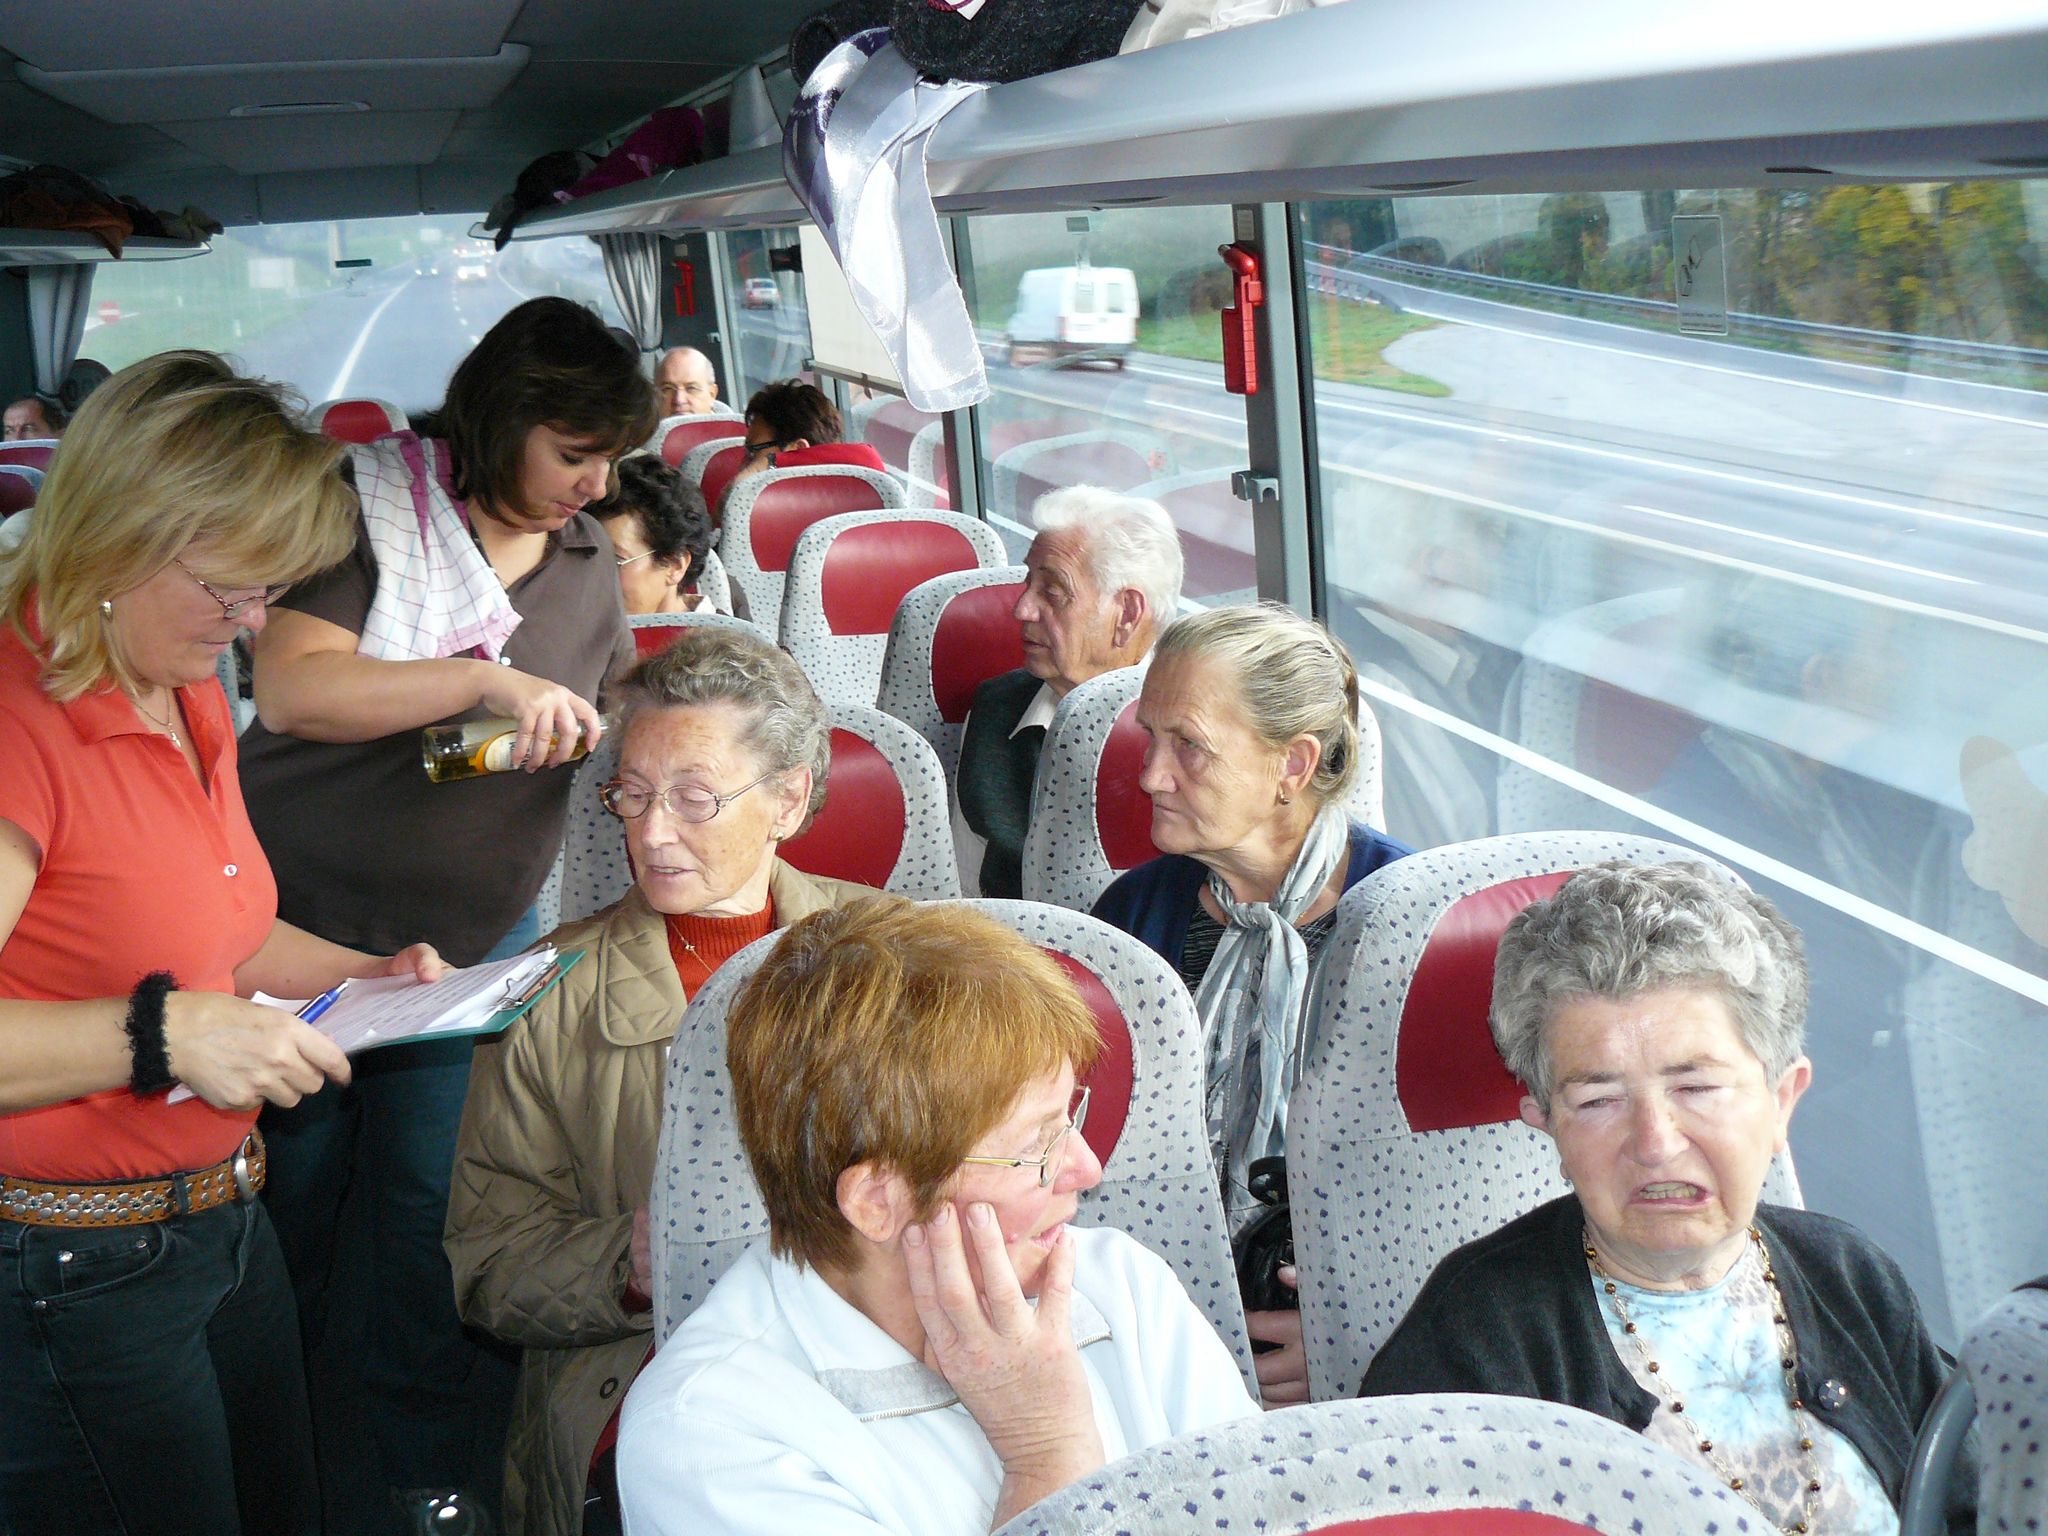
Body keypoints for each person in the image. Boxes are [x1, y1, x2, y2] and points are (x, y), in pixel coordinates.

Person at [0, 351, 446, 1536]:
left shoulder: (182, 685)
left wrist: (365, 975)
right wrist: (159, 1036)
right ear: (122, 535)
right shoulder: (15, 721)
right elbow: (174, 1006)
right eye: (232, 588)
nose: (254, 624)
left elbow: (214, 939)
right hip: (67, 1268)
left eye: (270, 590)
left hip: (221, 1221)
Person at [238, 296, 657, 1527]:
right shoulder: (363, 516)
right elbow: (298, 692)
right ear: (504, 418)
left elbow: (604, 702)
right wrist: (486, 678)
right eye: (572, 453)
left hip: (471, 944)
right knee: (293, 1195)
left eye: (609, 460)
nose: (595, 485)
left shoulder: (585, 563)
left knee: (433, 1211)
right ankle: (284, 1449)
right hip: (294, 925)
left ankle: (423, 1466)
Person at [1362, 861, 1974, 1536]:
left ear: (1781, 1101)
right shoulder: (1472, 1347)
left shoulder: (1852, 1277)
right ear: (1549, 1125)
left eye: (1696, 1088)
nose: (1655, 1144)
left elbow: (1975, 1502)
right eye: (1599, 1100)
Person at [616, 896, 1259, 1534]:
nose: (1087, 1169)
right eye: (1038, 1144)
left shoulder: (1122, 1287)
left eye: (1070, 1117)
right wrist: (1045, 1450)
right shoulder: (708, 1437)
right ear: (877, 1201)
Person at [446, 626, 871, 1536]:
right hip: (646, 1377)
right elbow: (487, 1267)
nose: (651, 831)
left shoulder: (894, 957)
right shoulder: (549, 994)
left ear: (789, 799)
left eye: (693, 798)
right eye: (631, 795)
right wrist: (629, 1267)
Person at [1092, 603, 1410, 1405]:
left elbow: (1450, 1183)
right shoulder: (1130, 921)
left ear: (1292, 765)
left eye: (1189, 746)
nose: (1150, 775)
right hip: (1153, 1317)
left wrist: (1362, 1332)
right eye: (1150, 737)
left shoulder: (1412, 926)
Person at [955, 484, 1184, 899]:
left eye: (1053, 593)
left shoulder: (1196, 733)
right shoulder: (996, 711)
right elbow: (968, 891)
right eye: (1028, 583)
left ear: (1127, 615)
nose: (1021, 609)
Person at [586, 451, 748, 624]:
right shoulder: (581, 629)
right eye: (585, 559)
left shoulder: (726, 640)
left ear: (675, 565)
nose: (591, 578)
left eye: (614, 560)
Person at [713, 378, 885, 513]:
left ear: (798, 449)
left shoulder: (868, 484)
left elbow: (866, 456)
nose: (744, 463)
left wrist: (770, 463)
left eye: (753, 451)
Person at [654, 345, 720, 417]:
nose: (679, 400)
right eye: (668, 389)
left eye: (691, 388)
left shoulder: (729, 424)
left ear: (712, 394)